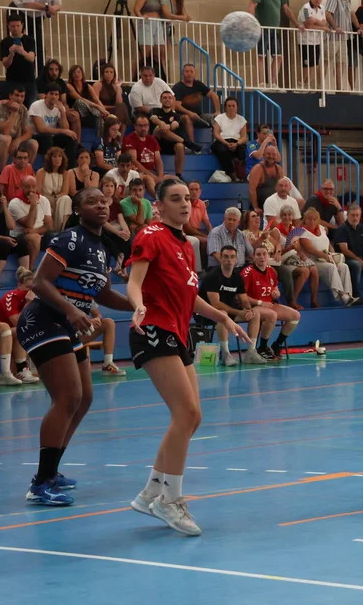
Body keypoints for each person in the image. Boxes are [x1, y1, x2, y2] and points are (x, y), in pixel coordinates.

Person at [126, 179, 251, 535]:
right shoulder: (150, 235)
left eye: (187, 199)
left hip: (178, 333)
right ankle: (170, 501)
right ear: (159, 205)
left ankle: (151, 491)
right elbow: (135, 281)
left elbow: (189, 296)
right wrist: (138, 305)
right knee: (187, 414)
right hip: (154, 329)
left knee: (191, 419)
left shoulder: (187, 244)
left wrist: (223, 316)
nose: (184, 204)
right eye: (175, 199)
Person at [18, 188, 137, 505]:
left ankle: (52, 470)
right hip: (44, 320)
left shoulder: (103, 248)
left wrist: (138, 305)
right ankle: (41, 483)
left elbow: (104, 294)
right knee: (68, 397)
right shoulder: (69, 239)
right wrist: (72, 310)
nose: (101, 205)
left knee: (84, 398)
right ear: (78, 210)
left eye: (104, 201)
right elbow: (39, 282)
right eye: (91, 201)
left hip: (67, 326)